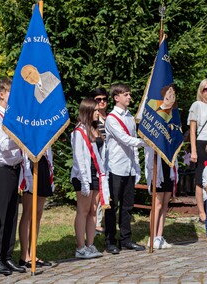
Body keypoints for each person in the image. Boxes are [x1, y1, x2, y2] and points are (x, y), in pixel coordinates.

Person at [0, 78, 26, 275]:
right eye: (12, 92)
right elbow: (3, 144)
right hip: (1, 169)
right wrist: (20, 139)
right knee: (0, 216)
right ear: (2, 94)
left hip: (14, 168)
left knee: (12, 214)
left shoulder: (14, 117)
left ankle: (7, 256)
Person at [105, 83, 145, 254]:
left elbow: (132, 144)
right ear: (116, 97)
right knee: (113, 206)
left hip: (128, 167)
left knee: (127, 206)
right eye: (126, 95)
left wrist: (136, 166)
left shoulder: (129, 116)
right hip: (115, 166)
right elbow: (125, 139)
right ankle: (110, 241)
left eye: (129, 94)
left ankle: (126, 239)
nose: (129, 97)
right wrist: (146, 142)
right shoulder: (112, 118)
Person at [71, 98, 109, 259]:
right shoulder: (78, 131)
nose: (97, 112)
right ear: (87, 111)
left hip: (96, 173)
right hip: (83, 175)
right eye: (94, 110)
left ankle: (90, 244)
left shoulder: (95, 129)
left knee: (94, 210)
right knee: (84, 210)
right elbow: (79, 158)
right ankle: (80, 247)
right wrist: (85, 180)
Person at [18, 147, 53, 268]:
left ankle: (33, 252)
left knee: (38, 213)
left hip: (43, 161)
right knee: (28, 212)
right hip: (29, 163)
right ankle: (24, 255)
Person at [187, 79, 207, 223]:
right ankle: (201, 212)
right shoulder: (196, 105)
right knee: (200, 179)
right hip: (200, 143)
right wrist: (193, 150)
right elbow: (192, 129)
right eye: (206, 89)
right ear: (201, 90)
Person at [144, 146, 177, 249]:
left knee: (164, 205)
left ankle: (159, 236)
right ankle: (152, 237)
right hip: (158, 168)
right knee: (157, 205)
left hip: (169, 164)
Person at [92, 88, 108, 234]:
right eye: (98, 99)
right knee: (97, 194)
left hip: (109, 159)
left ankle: (101, 222)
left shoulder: (110, 118)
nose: (102, 102)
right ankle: (95, 224)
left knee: (105, 193)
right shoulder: (93, 120)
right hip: (97, 160)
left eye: (104, 99)